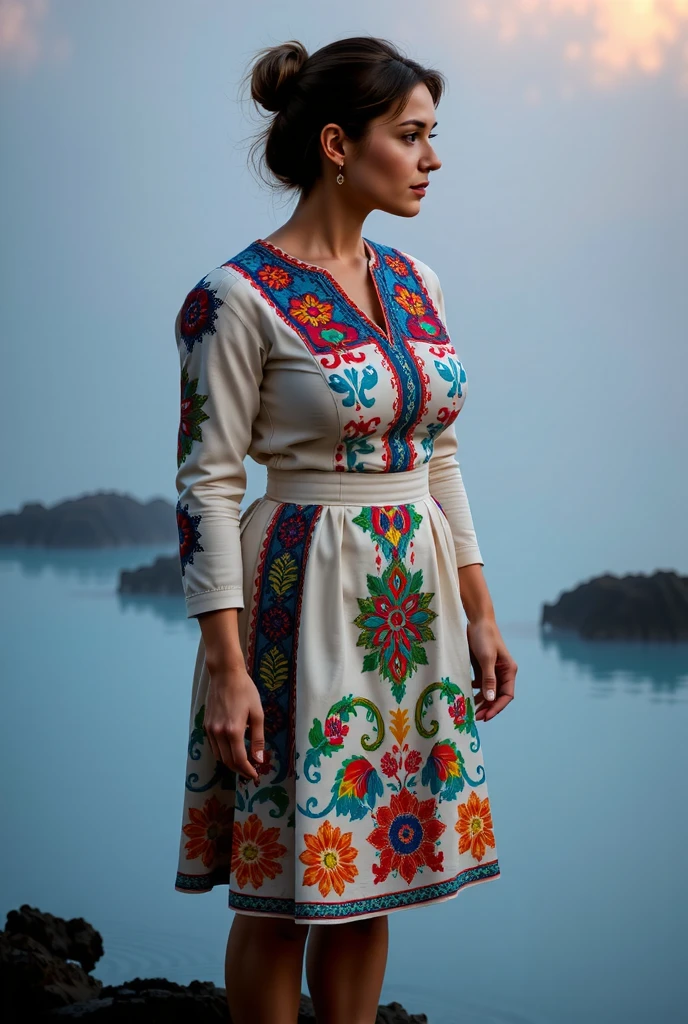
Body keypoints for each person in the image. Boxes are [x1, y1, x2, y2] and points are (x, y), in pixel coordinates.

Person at [173, 35, 517, 1024]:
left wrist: (479, 609)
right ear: (337, 142)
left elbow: (437, 454)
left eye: (430, 137)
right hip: (296, 600)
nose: (430, 158)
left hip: (408, 609)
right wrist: (228, 666)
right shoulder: (231, 300)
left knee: (374, 869)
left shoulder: (417, 283)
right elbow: (206, 485)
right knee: (286, 885)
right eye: (410, 136)